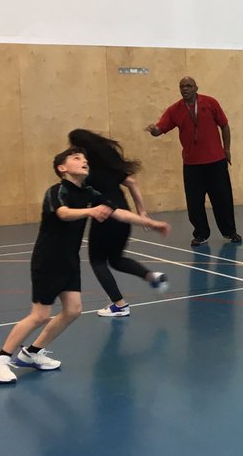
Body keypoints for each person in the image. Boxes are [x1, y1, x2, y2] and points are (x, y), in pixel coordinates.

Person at [0, 148, 170, 384]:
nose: (84, 161)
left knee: (73, 310)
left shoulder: (90, 192)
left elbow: (118, 213)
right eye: (76, 158)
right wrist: (91, 211)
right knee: (40, 315)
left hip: (69, 260)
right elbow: (63, 213)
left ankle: (31, 353)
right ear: (62, 168)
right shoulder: (57, 191)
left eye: (85, 159)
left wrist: (150, 223)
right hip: (48, 260)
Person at [68, 128, 170, 317]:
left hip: (105, 215)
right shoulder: (108, 160)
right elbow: (131, 182)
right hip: (125, 214)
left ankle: (120, 305)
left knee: (97, 261)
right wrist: (142, 211)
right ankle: (151, 276)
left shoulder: (86, 168)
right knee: (116, 259)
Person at [145, 76, 241, 246]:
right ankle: (201, 234)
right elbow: (160, 129)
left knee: (222, 199)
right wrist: (153, 130)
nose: (185, 89)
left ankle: (229, 231)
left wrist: (227, 150)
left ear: (196, 87)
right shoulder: (174, 110)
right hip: (192, 165)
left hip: (216, 161)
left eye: (188, 86)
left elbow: (224, 126)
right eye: (182, 86)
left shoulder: (210, 103)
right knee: (195, 203)